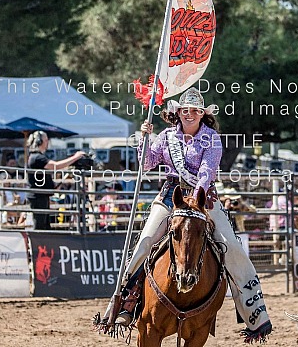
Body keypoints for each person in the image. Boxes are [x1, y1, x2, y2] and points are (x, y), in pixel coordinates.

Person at [102, 87, 272, 342]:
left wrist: (197, 197)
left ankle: (253, 315)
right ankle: (125, 303)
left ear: (202, 115)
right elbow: (147, 163)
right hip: (171, 195)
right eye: (185, 110)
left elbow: (207, 171)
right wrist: (144, 139)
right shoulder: (166, 136)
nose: (190, 114)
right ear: (178, 113)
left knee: (232, 248)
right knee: (145, 242)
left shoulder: (211, 138)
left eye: (195, 111)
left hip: (204, 197)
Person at [26, 131, 85, 230]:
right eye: (45, 140)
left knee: (45, 224)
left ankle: (43, 243)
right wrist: (75, 157)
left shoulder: (37, 157)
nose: (47, 142)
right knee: (39, 224)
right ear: (40, 141)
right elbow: (55, 166)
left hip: (42, 195)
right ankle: (37, 243)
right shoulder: (37, 157)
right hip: (38, 195)